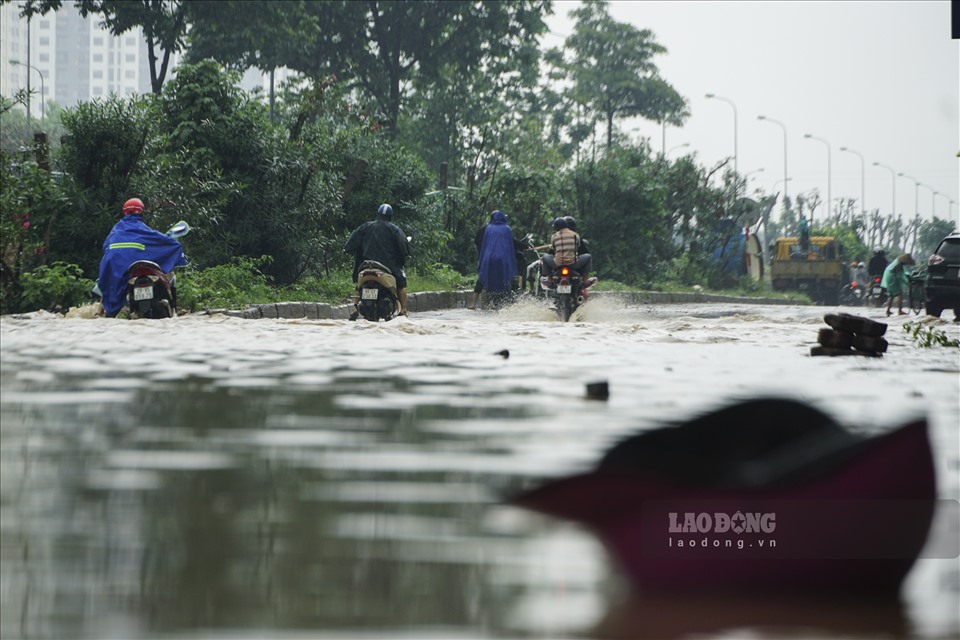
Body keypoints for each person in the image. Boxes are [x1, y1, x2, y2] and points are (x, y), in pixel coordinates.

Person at [97, 197, 186, 318]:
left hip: (113, 265)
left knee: (110, 288)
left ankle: (112, 311)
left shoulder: (116, 230)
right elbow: (164, 242)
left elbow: (105, 247)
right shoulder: (142, 229)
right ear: (141, 211)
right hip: (132, 264)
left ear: (124, 211)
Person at [344, 203, 410, 319]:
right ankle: (403, 310)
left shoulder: (366, 227)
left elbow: (350, 244)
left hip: (366, 266)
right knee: (401, 284)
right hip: (388, 267)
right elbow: (404, 248)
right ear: (390, 216)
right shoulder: (394, 230)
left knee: (359, 286)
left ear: (378, 214)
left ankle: (354, 307)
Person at [468, 210, 518, 309]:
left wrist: (482, 258)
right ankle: (514, 304)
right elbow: (510, 245)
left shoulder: (488, 228)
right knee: (508, 277)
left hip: (489, 257)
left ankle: (473, 303)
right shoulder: (507, 229)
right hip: (503, 258)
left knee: (483, 277)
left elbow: (484, 245)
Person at [562, 215, 593, 281]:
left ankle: (550, 279)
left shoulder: (556, 236)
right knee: (588, 256)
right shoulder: (576, 237)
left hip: (559, 263)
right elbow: (584, 251)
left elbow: (551, 252)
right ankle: (584, 279)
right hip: (573, 263)